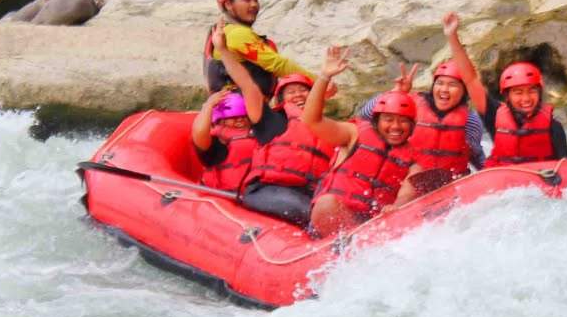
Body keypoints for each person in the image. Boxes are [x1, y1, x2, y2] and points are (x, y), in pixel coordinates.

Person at [208, 27, 337, 228]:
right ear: (281, 100)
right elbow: (247, 84)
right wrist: (224, 51)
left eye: (304, 91)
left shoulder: (328, 128)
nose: (298, 95)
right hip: (267, 189)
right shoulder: (271, 119)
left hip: (309, 191)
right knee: (315, 213)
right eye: (291, 92)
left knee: (334, 205)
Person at [303, 46, 424, 238]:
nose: (395, 127)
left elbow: (407, 194)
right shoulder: (354, 134)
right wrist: (324, 76)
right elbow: (311, 120)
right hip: (336, 219)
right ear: (376, 122)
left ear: (412, 126)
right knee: (326, 204)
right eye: (389, 120)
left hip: (374, 227)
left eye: (403, 121)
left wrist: (396, 208)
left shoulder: (414, 159)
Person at [442, 12, 567, 165]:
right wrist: (452, 37)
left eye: (531, 91)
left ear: (540, 92)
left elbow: (566, 169)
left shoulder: (554, 128)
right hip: (503, 185)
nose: (526, 99)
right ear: (507, 96)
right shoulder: (494, 115)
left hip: (539, 185)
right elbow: (470, 79)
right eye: (518, 92)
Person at [358, 60, 485, 179]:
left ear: (465, 91)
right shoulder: (412, 104)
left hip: (447, 184)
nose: (444, 90)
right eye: (439, 83)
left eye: (452, 85)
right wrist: (396, 93)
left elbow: (476, 156)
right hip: (405, 178)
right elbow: (365, 114)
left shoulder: (470, 121)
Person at [203, 0, 317, 98]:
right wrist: (319, 83)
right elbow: (277, 65)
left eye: (256, 0)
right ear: (228, 4)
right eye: (247, 0)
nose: (254, 5)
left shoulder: (222, 31)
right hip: (243, 110)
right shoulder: (238, 34)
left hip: (234, 106)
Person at [191, 89, 258, 197]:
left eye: (243, 116)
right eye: (233, 117)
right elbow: (199, 132)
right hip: (223, 196)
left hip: (254, 192)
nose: (240, 119)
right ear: (220, 120)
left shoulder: (258, 133)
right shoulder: (217, 141)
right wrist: (208, 106)